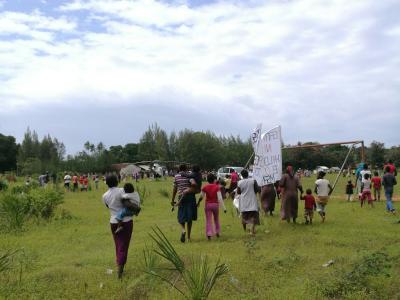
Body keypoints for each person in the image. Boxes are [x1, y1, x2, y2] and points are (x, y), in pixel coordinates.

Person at [102, 175, 134, 279]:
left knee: (118, 244)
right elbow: (130, 201)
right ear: (117, 181)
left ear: (106, 183)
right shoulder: (122, 191)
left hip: (113, 222)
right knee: (124, 246)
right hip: (126, 221)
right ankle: (120, 269)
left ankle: (119, 265)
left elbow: (108, 206)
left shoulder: (105, 195)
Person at [171, 164, 198, 243]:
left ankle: (183, 230)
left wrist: (172, 199)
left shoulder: (176, 177)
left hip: (181, 197)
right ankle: (189, 237)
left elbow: (175, 189)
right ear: (186, 169)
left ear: (179, 169)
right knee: (189, 217)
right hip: (190, 197)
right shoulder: (189, 176)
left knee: (181, 216)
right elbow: (194, 184)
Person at [197, 173, 226, 240]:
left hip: (208, 205)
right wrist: (224, 208)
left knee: (208, 220)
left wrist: (198, 203)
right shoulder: (217, 187)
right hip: (215, 205)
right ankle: (217, 232)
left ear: (207, 180)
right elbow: (220, 198)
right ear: (214, 180)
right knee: (216, 219)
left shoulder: (205, 187)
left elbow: (201, 197)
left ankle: (209, 233)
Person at [237, 169, 260, 235]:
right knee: (254, 215)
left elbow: (239, 192)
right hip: (252, 199)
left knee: (244, 216)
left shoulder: (240, 182)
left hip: (244, 201)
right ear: (248, 174)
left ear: (242, 175)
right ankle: (252, 229)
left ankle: (247, 229)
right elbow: (256, 190)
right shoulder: (253, 181)